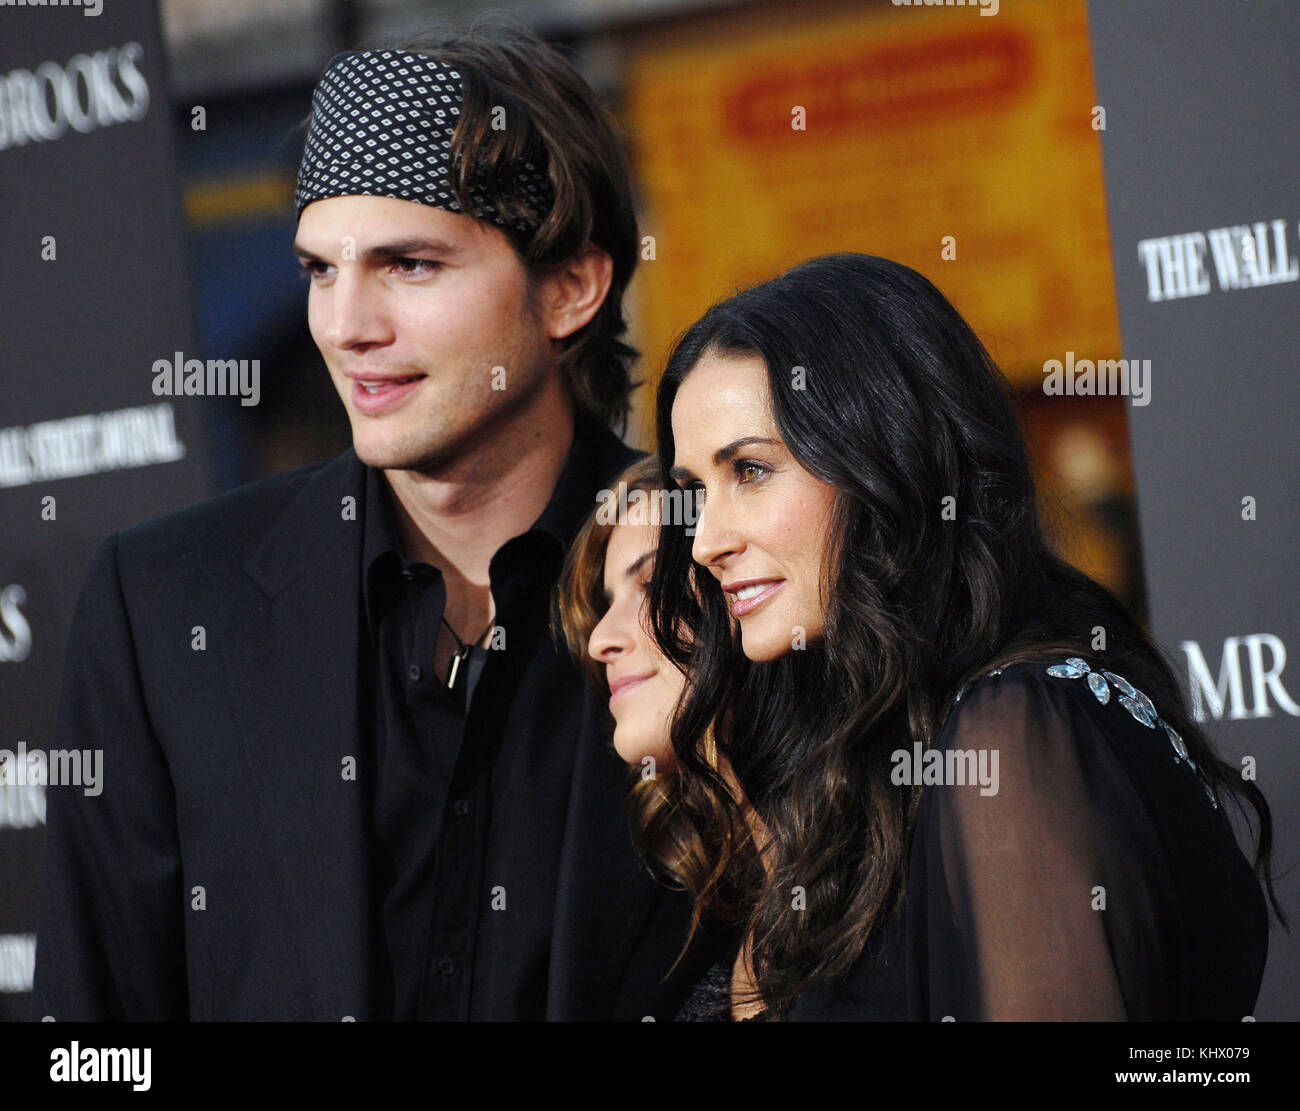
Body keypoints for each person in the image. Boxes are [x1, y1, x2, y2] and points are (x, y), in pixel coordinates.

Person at [32, 24, 721, 1021]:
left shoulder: (716, 579)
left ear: (571, 284)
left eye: (409, 266)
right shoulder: (169, 602)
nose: (346, 325)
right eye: (320, 269)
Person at [645, 253, 1284, 1020]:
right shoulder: (878, 755)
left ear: (887, 455)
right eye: (692, 491)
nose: (707, 537)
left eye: (749, 469)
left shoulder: (1016, 727)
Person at [552, 455, 760, 1020]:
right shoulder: (703, 916)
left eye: (649, 583)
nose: (600, 641)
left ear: (745, 587)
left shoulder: (908, 869)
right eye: (606, 603)